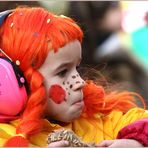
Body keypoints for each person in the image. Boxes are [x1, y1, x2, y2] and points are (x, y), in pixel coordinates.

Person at [0, 7, 148, 147]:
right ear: (16, 81)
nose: (80, 82)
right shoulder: (5, 137)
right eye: (62, 72)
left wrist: (137, 141)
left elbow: (140, 119)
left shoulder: (94, 120)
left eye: (76, 68)